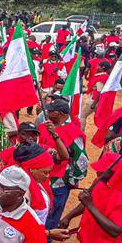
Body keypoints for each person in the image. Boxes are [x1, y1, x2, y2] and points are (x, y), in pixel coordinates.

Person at [37, 98, 81, 230]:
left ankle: (48, 237)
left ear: (61, 113)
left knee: (54, 211)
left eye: (51, 110)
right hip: (40, 176)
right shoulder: (42, 127)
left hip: (60, 180)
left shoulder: (74, 132)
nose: (47, 111)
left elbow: (80, 160)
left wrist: (73, 179)